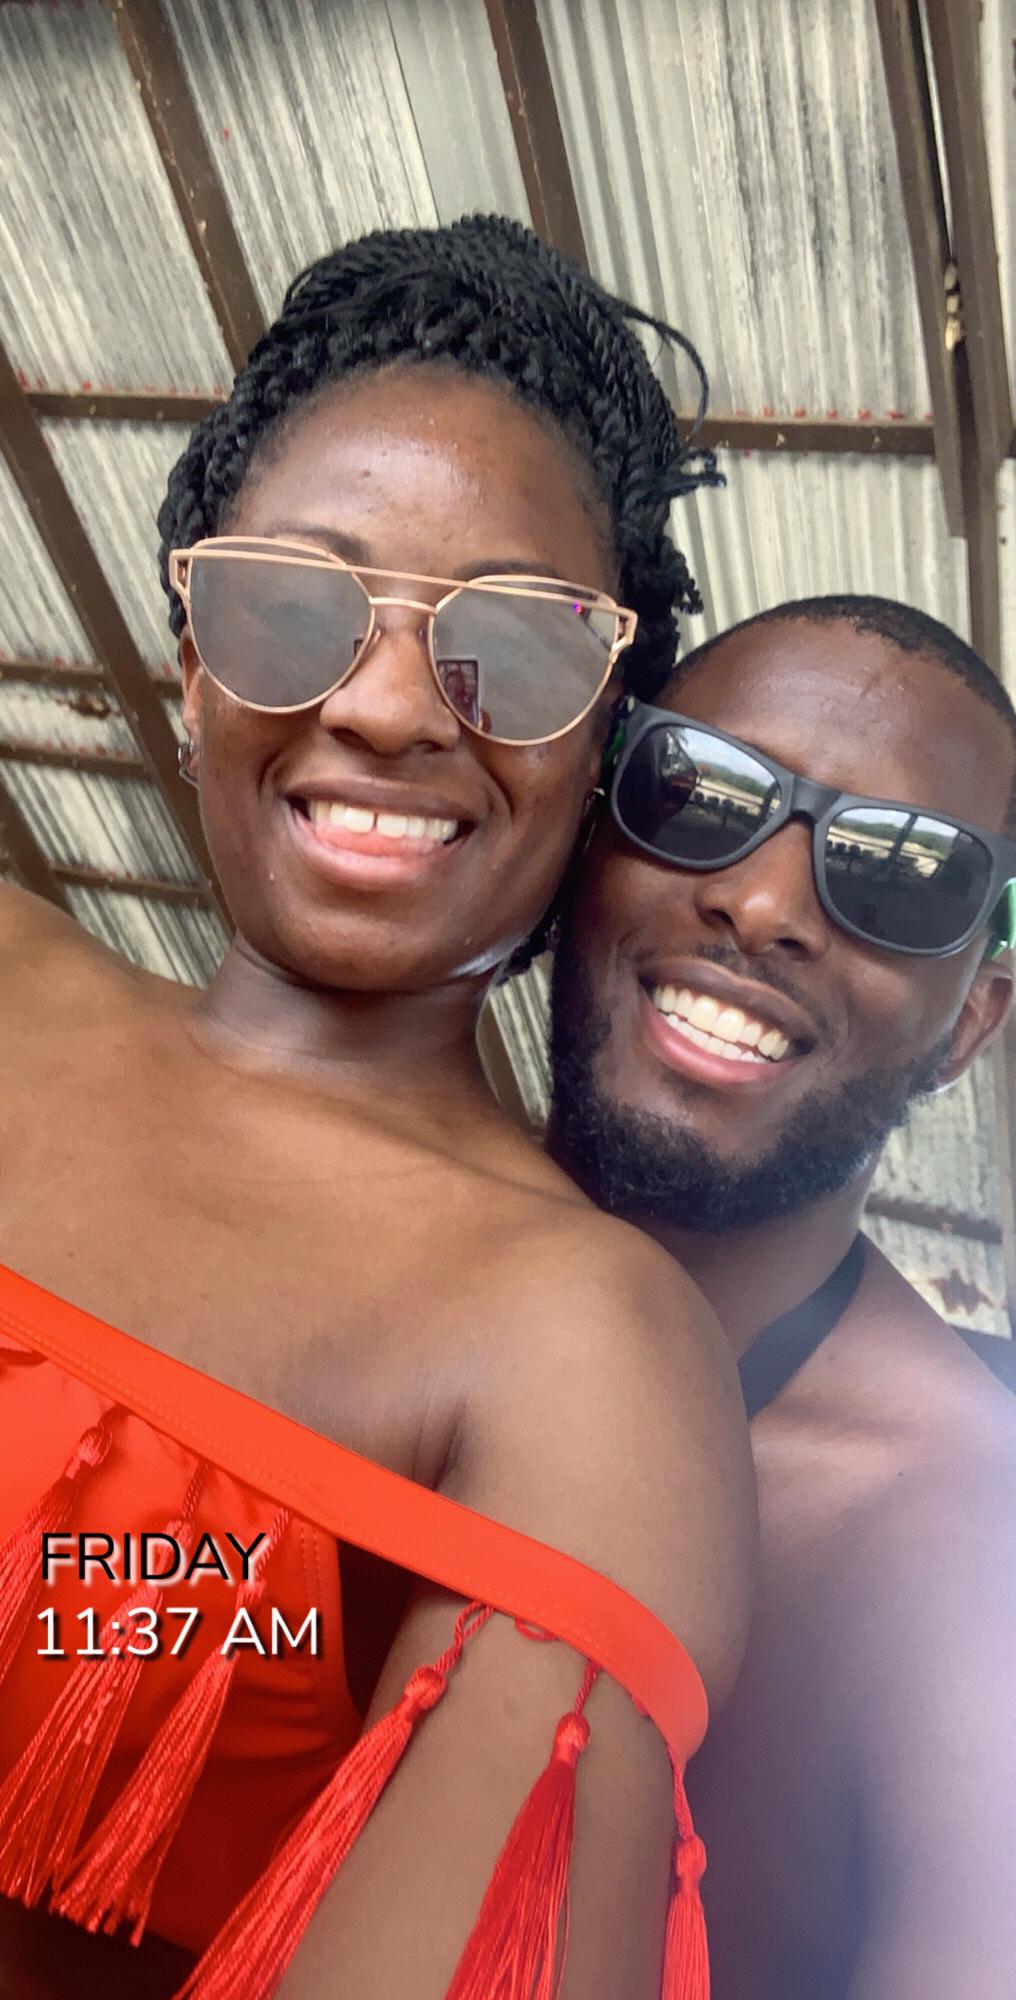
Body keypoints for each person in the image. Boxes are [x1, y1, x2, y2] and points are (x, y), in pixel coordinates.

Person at [0, 217, 755, 2000]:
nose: (391, 705)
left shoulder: (585, 1344)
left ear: (601, 736)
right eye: (293, 606)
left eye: (517, 647)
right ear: (192, 654)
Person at [549, 595, 1016, 2000]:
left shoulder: (959, 1573)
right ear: (585, 837)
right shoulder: (355, 1248)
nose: (760, 905)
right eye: (699, 792)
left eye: (902, 876)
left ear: (969, 1023)